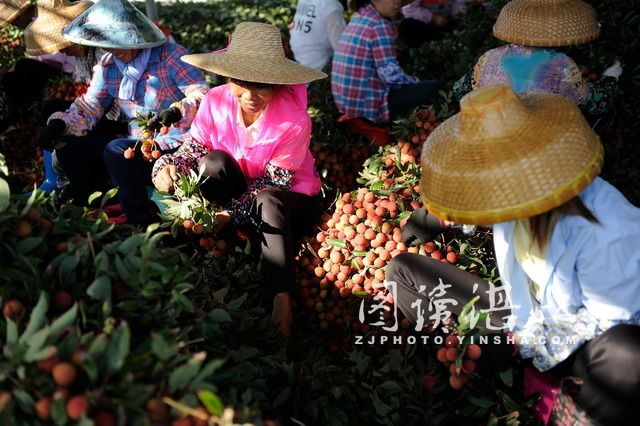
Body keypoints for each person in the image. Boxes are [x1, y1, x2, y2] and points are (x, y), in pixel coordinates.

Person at [386, 84, 640, 425]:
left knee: (627, 355)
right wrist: (431, 218)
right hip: (527, 318)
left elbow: (609, 327)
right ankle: (475, 368)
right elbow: (472, 210)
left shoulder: (608, 230)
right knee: (403, 270)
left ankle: (519, 381)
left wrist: (523, 344)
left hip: (579, 342)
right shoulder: (514, 200)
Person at [152, 22, 327, 337]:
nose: (250, 96)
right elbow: (193, 149)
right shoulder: (215, 100)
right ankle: (202, 249)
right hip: (239, 192)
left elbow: (276, 183)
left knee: (267, 200)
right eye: (240, 84)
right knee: (213, 162)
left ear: (277, 82)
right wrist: (165, 166)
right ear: (227, 77)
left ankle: (282, 300)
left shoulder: (295, 121)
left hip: (285, 203)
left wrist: (228, 213)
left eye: (262, 86)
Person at [38, 0, 208, 226]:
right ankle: (96, 209)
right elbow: (90, 106)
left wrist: (177, 111)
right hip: (137, 145)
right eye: (106, 43)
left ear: (134, 33)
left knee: (116, 150)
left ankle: (140, 223)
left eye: (118, 41)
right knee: (69, 146)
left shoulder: (170, 56)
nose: (112, 48)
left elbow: (202, 94)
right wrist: (60, 123)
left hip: (174, 144)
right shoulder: (109, 65)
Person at [452, 0, 622, 123]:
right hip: (538, 143)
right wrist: (611, 77)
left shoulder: (489, 57)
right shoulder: (561, 65)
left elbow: (459, 91)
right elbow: (597, 104)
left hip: (493, 136)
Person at [331, 0, 443, 124]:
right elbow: (391, 77)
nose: (398, 2)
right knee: (435, 89)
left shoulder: (359, 19)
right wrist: (415, 82)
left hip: (347, 106)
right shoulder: (379, 24)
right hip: (368, 109)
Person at [288, 0, 347, 72]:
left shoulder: (304, 2)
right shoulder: (331, 6)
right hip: (320, 67)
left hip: (300, 62)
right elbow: (341, 48)